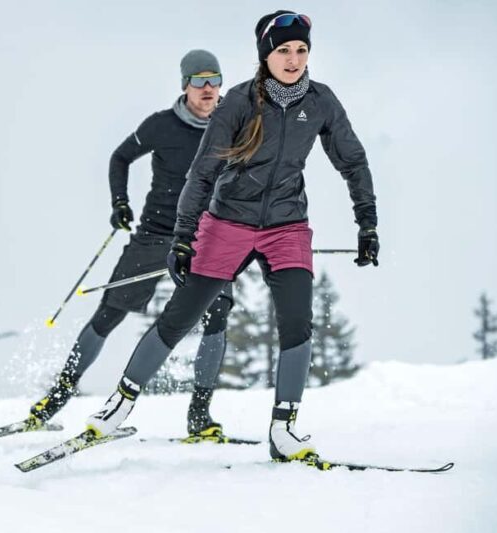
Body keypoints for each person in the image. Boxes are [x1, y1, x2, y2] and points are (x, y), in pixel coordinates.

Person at [84, 10, 379, 462]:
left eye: (301, 50)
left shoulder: (320, 102)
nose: (294, 58)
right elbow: (202, 174)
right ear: (266, 54)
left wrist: (367, 222)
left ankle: (284, 429)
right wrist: (184, 236)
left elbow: (352, 161)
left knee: (298, 319)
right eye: (283, 50)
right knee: (182, 314)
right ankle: (119, 405)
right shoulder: (239, 103)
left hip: (287, 226)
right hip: (227, 224)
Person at [28, 50, 235, 439]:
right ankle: (55, 398)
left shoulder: (233, 124)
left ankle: (199, 417)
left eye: (214, 79)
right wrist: (119, 202)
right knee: (110, 312)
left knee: (216, 316)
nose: (207, 88)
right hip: (156, 232)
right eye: (198, 80)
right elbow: (120, 157)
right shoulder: (161, 125)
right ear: (185, 85)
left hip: (207, 237)